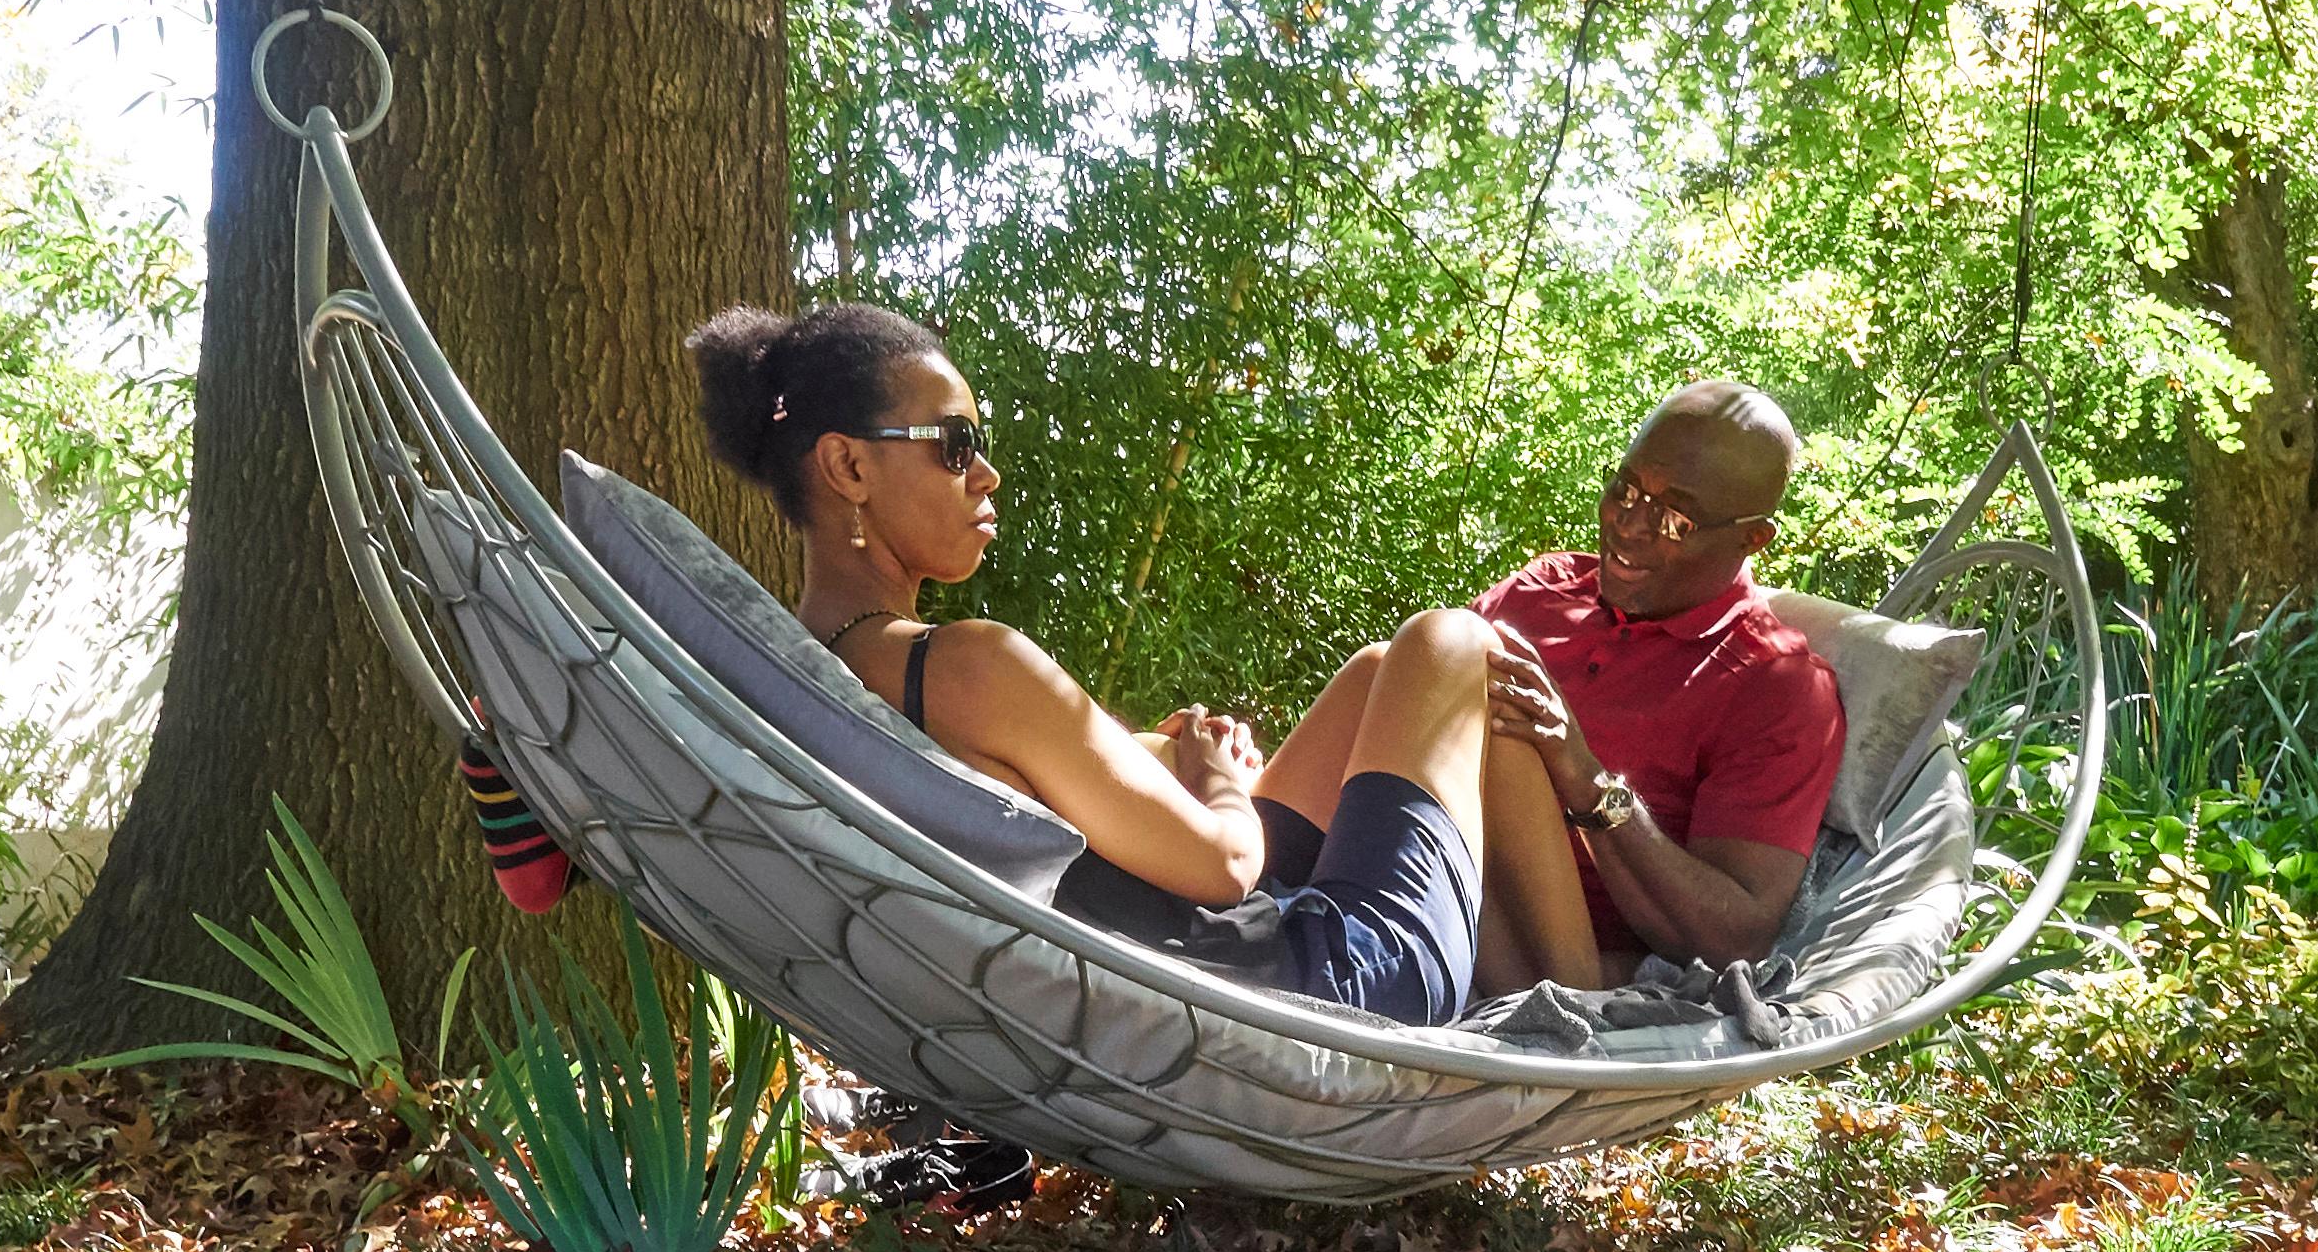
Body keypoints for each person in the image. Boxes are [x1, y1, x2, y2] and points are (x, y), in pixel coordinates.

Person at [687, 301, 1598, 1022]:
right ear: (847, 468)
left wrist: (1163, 760)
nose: (986, 475)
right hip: (1318, 987)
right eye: (954, 445)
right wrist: (1219, 779)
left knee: (1374, 676)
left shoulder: (824, 676)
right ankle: (1588, 1005)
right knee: (1454, 647)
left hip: (1221, 963)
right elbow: (1226, 866)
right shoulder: (971, 663)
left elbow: (1050, 815)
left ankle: (1532, 972)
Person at [1260, 383, 1842, 991]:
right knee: (1383, 667)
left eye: (1675, 518)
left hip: (1539, 967)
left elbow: (1734, 938)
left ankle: (1345, 958)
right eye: (1625, 489)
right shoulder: (1548, 585)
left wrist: (1586, 779)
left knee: (1490, 699)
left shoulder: (1776, 685)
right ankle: (1237, 882)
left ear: (1752, 538)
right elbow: (1416, 727)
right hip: (1393, 873)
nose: (1629, 525)